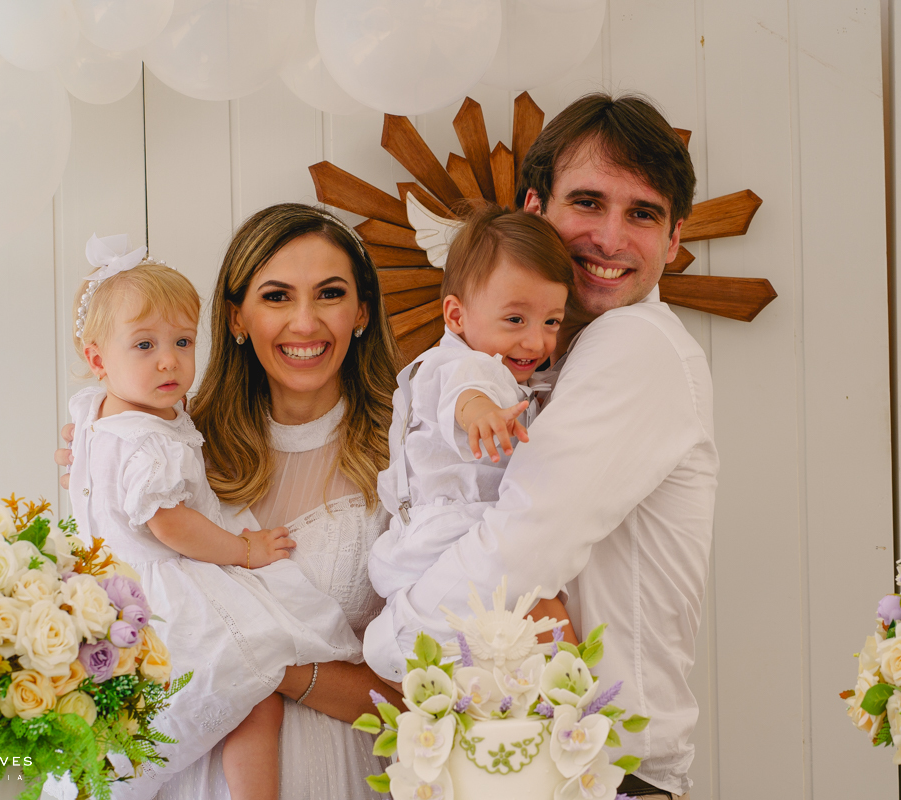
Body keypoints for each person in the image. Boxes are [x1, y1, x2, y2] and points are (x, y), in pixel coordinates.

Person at [362, 93, 716, 800]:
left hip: (611, 771)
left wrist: (391, 642)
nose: (610, 238)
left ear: (675, 239)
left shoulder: (635, 343)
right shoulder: (532, 363)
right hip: (534, 755)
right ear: (535, 208)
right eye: (587, 201)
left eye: (642, 214)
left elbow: (523, 547)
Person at [58, 205, 404, 799]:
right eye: (276, 296)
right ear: (237, 317)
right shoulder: (174, 447)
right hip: (189, 767)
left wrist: (267, 664)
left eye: (329, 293)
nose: (305, 322)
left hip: (343, 770)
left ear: (362, 312)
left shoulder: (409, 456)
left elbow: (428, 700)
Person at [369, 206, 576, 641]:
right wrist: (482, 414)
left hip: (430, 533)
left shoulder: (501, 372)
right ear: (457, 316)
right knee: (549, 616)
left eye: (551, 321)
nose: (536, 341)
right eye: (515, 319)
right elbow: (465, 393)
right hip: (452, 528)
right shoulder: (459, 365)